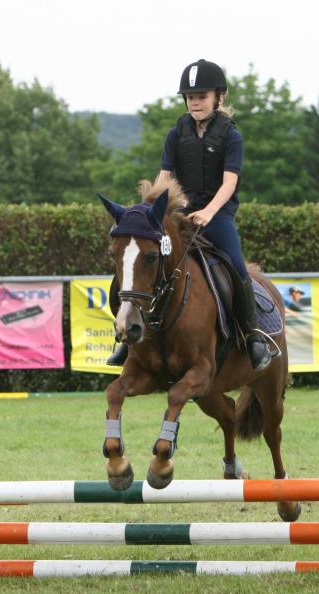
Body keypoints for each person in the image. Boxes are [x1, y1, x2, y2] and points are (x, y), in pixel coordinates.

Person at [107, 58, 274, 371]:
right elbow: (165, 177)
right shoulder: (176, 134)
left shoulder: (231, 136)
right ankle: (124, 339)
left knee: (237, 266)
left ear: (218, 97)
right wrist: (148, 212)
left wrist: (210, 212)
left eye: (202, 96)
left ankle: (252, 338)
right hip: (180, 215)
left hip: (218, 216)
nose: (196, 103)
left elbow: (230, 182)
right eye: (191, 97)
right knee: (134, 264)